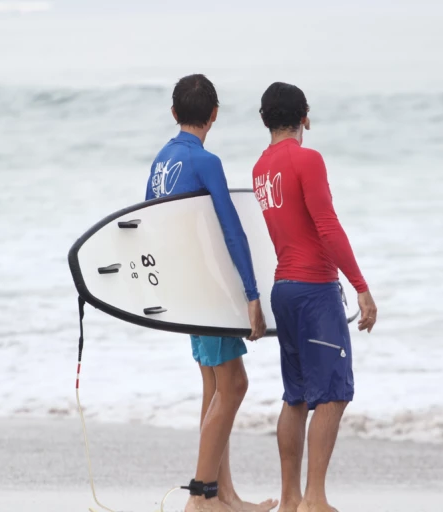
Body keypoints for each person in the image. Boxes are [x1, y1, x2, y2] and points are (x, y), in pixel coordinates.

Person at [146, 74, 277, 512]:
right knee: (235, 384)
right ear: (214, 115)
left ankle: (225, 495)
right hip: (205, 290)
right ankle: (201, 498)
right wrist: (252, 293)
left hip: (183, 290)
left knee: (214, 385)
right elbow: (232, 229)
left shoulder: (162, 161)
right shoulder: (206, 162)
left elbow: (148, 226)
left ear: (174, 113)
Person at [252, 83, 378, 512]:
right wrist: (361, 286)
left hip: (283, 289)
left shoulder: (260, 168)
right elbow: (327, 225)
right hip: (313, 289)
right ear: (304, 115)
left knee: (297, 395)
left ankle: (290, 500)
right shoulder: (308, 159)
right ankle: (315, 501)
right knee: (334, 393)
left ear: (264, 118)